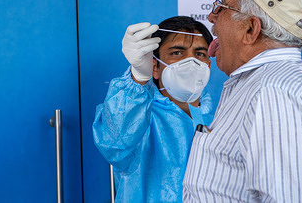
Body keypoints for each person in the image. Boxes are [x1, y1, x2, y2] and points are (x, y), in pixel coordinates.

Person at [183, 0, 302, 202]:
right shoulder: (257, 84)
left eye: (221, 7)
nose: (210, 16)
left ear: (250, 29)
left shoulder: (274, 93)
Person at [92, 16, 216, 202]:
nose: (191, 62)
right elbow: (115, 145)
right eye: (177, 53)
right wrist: (139, 77)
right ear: (155, 67)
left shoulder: (216, 118)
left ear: (208, 65)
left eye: (199, 54)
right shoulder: (140, 116)